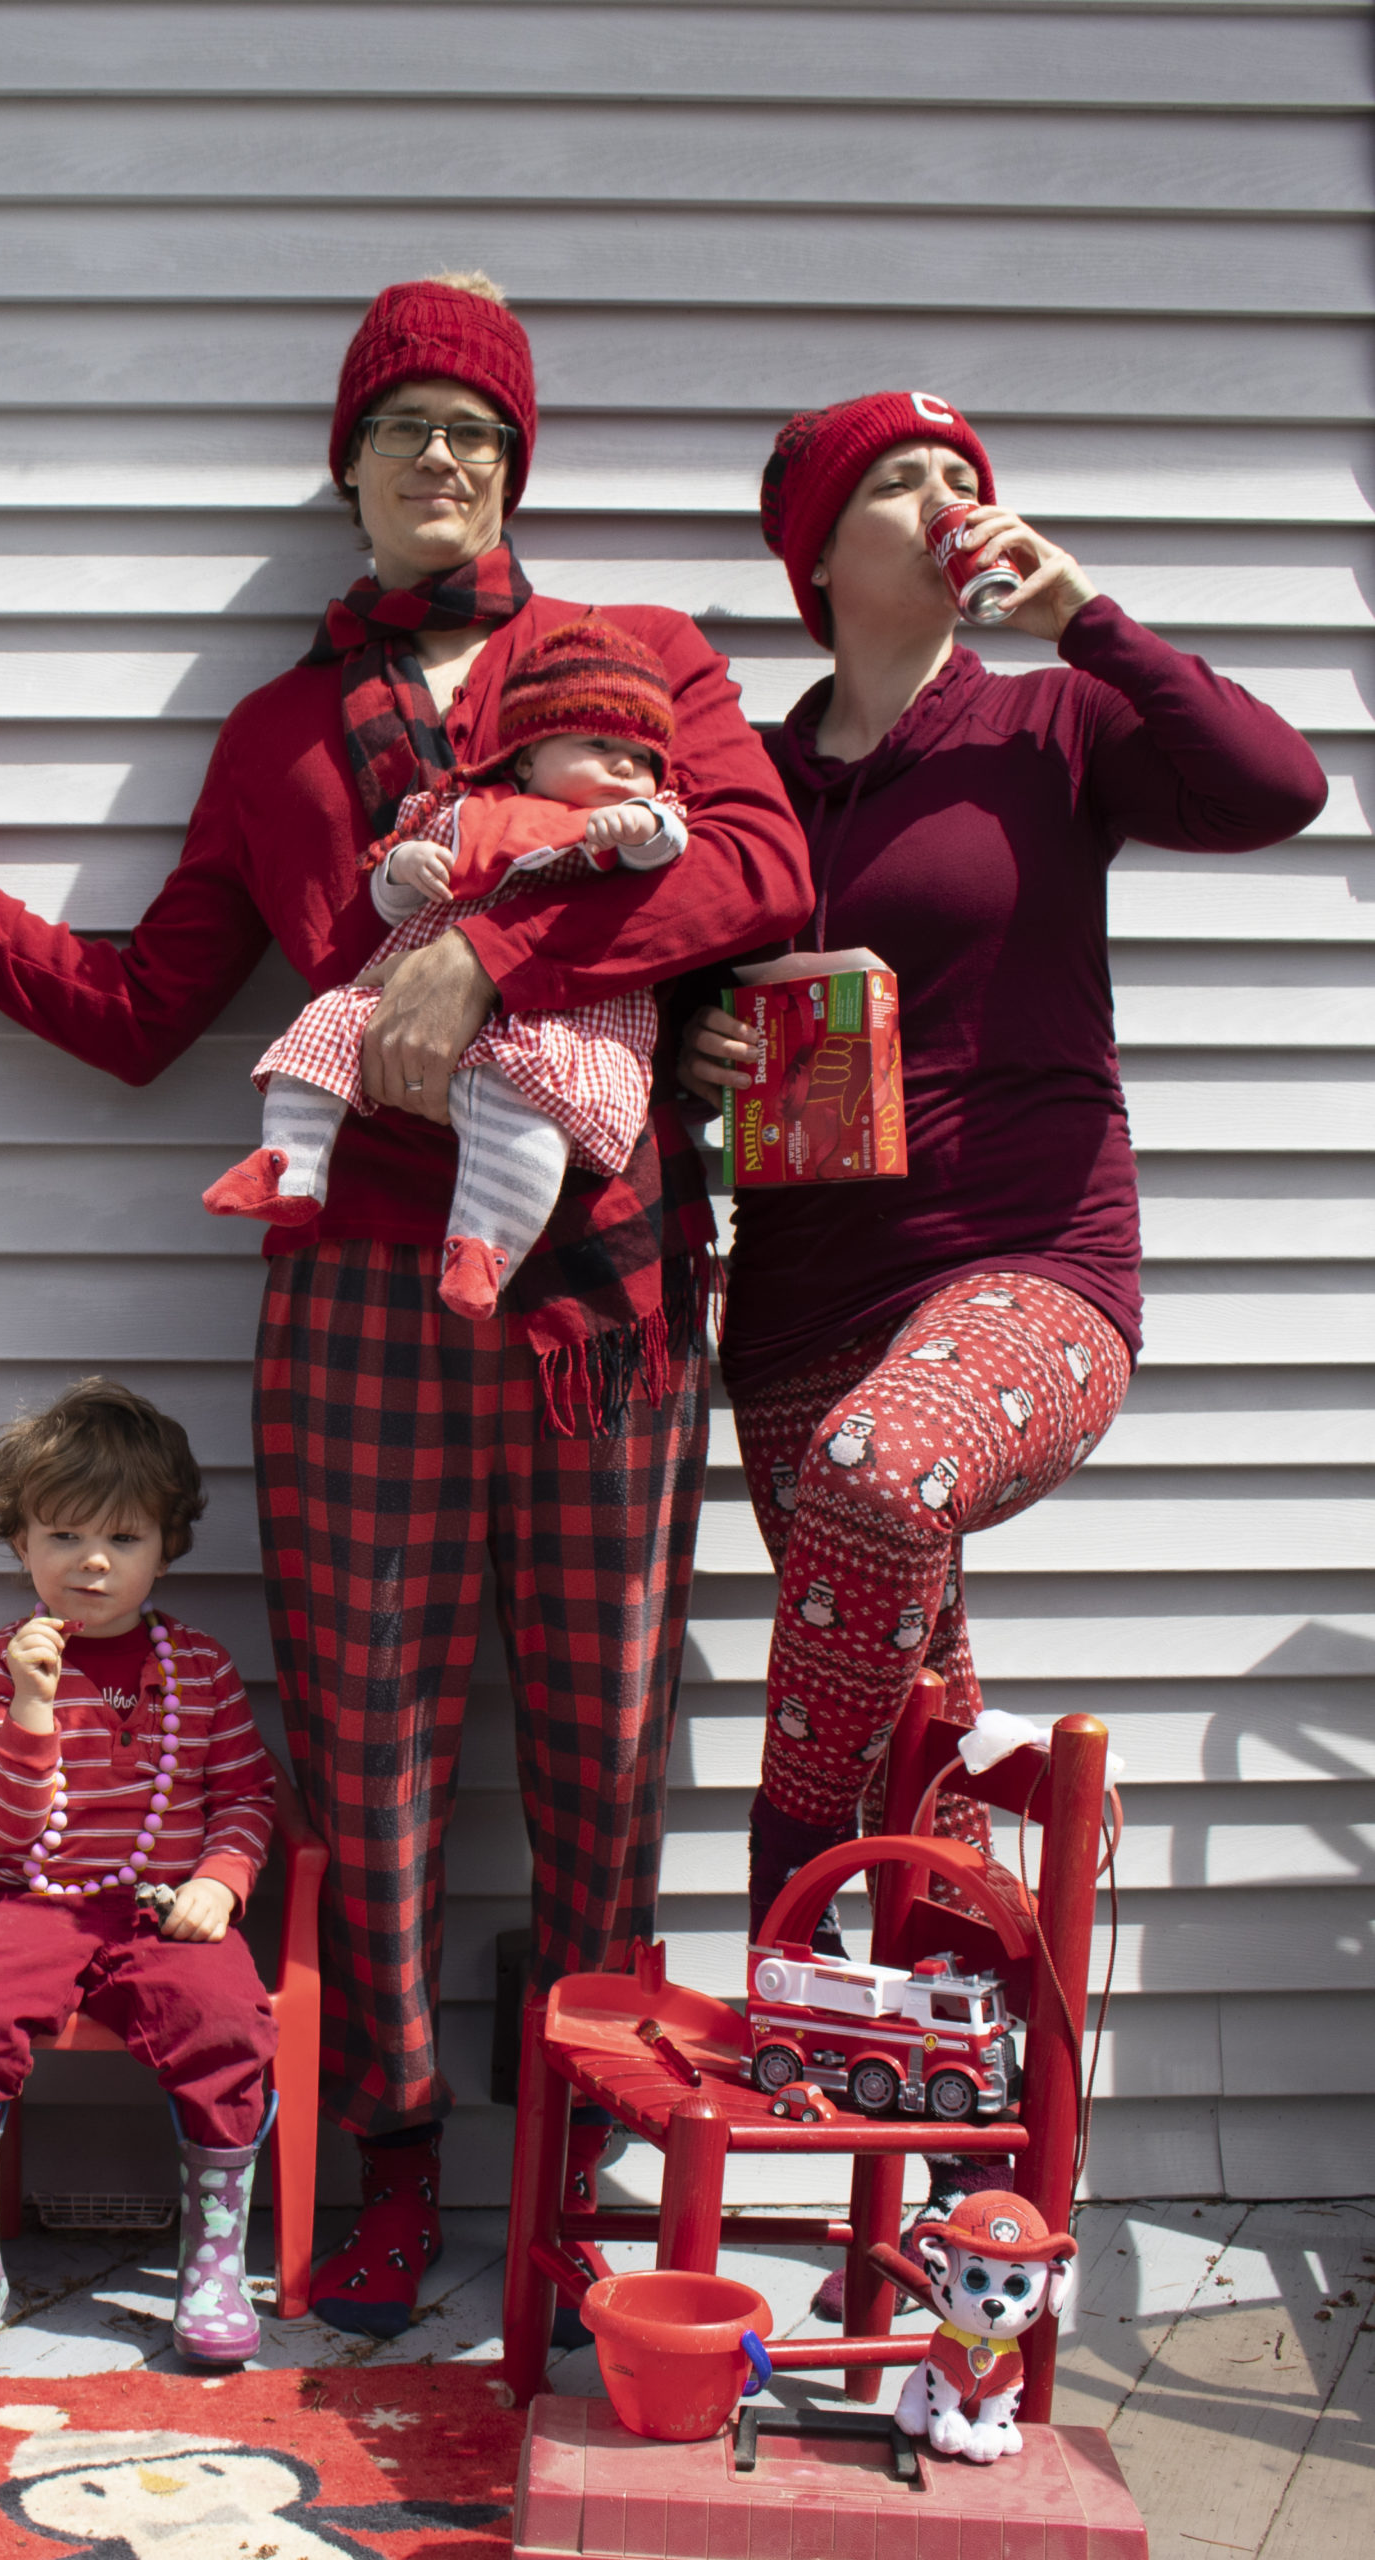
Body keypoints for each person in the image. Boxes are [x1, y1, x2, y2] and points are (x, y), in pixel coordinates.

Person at [0, 273, 811, 2337]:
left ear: (514, 468)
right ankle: (390, 2157)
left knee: (603, 1750)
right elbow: (139, 1009)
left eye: (477, 430)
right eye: (402, 426)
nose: (441, 457)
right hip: (359, 1292)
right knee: (367, 1757)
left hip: (602, 1297)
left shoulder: (636, 656)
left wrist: (485, 956)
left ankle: (571, 2167)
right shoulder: (279, 736)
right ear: (345, 466)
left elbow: (753, 871)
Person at [677, 387, 1325, 2287]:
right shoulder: (748, 775)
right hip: (797, 1300)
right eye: (900, 479)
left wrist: (1088, 616)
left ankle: (783, 1921)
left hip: (1031, 1262)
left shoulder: (1053, 718)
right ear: (814, 549)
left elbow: (1274, 790)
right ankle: (931, 2230)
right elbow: (647, 981)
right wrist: (696, 1042)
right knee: (923, 1752)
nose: (949, 498)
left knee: (888, 1481)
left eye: (967, 476)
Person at [0, 1380, 280, 2374]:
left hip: (165, 1911)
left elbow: (246, 1794)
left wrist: (220, 1881)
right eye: (63, 1535)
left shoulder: (201, 1667)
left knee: (228, 2022)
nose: (93, 1560)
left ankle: (213, 2262)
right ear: (21, 1544)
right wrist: (31, 1706)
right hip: (26, 1901)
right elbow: (5, 1821)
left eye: (123, 1536)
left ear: (166, 1547)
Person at [204, 617, 688, 1320]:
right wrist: (404, 867)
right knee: (325, 1023)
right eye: (598, 746)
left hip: (556, 1023)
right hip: (411, 997)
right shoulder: (468, 810)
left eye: (641, 758)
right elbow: (387, 894)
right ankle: (287, 1164)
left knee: (527, 1116)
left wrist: (641, 829)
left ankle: (483, 1248)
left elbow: (669, 843)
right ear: (527, 758)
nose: (624, 769)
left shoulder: (637, 819)